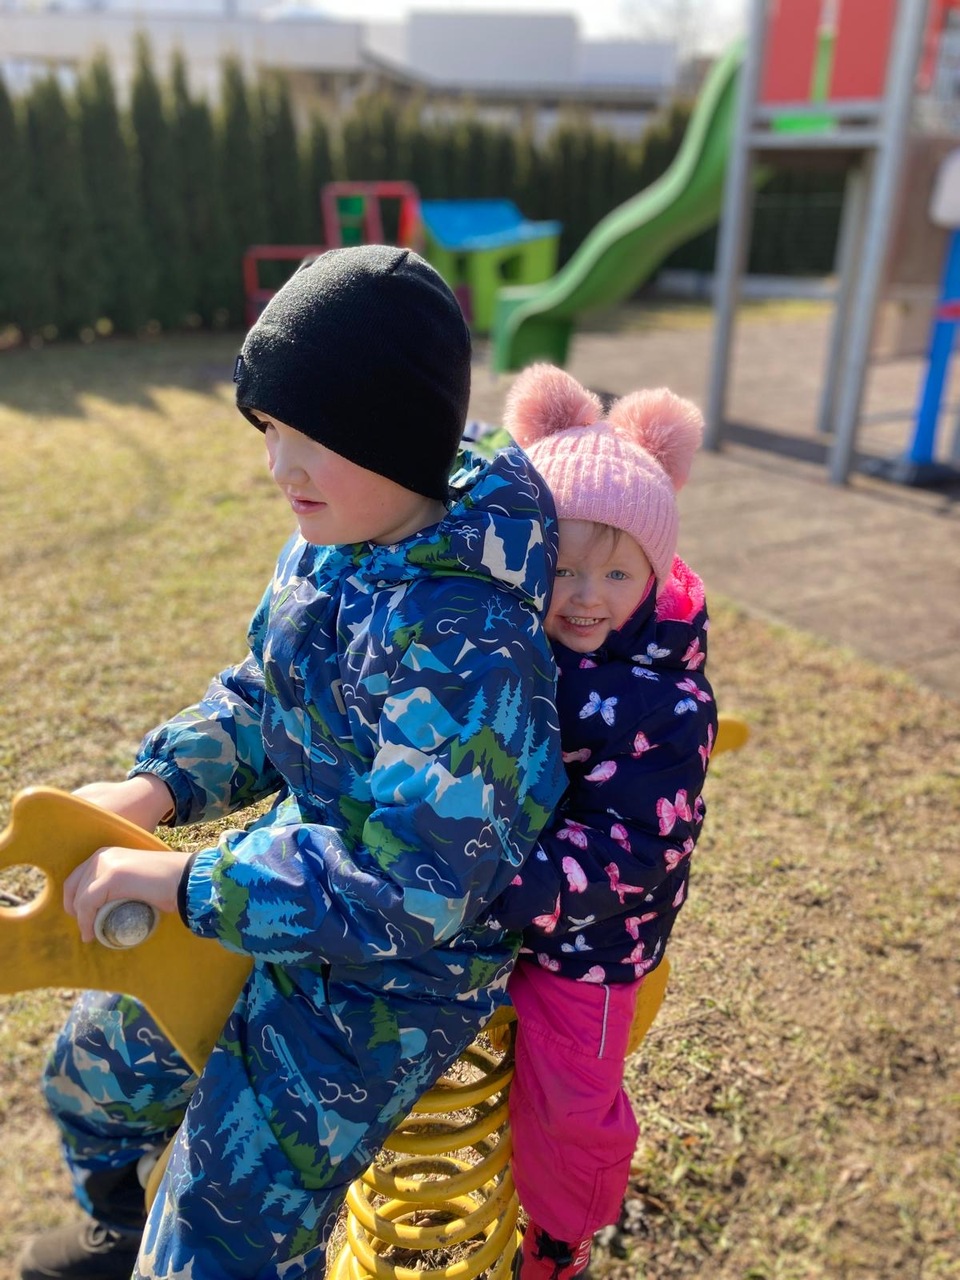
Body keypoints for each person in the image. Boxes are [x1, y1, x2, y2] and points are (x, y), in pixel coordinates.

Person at [19, 246, 566, 1280]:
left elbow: (412, 882)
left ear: (398, 436)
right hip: (295, 868)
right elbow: (267, 694)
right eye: (270, 429)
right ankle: (112, 1219)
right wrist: (158, 785)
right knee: (101, 1057)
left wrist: (188, 883)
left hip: (399, 968)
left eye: (313, 437)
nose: (282, 468)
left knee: (226, 1214)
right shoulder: (334, 533)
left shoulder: (469, 638)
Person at [488, 364, 718, 1280]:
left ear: (654, 577)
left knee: (569, 1105)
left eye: (617, 573)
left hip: (592, 944)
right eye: (562, 567)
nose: (586, 594)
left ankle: (563, 1235)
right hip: (495, 911)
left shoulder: (665, 699)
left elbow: (639, 847)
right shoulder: (506, 642)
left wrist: (510, 886)